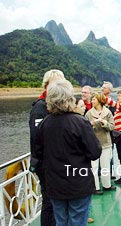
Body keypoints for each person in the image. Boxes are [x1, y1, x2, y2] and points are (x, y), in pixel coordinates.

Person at [34, 79, 102, 226]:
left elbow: (38, 153)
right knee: (77, 221)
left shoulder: (44, 124)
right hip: (78, 183)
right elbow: (95, 152)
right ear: (70, 98)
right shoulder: (80, 122)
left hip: (55, 185)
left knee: (60, 221)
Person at [29, 69, 65, 226]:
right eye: (54, 83)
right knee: (50, 203)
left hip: (57, 164)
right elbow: (37, 138)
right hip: (46, 165)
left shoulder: (55, 106)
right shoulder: (40, 108)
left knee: (58, 202)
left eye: (60, 84)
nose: (58, 87)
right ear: (46, 86)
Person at [85, 93, 116, 194]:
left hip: (106, 143)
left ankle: (107, 185)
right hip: (93, 143)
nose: (92, 101)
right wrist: (91, 124)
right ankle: (95, 187)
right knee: (94, 166)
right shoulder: (89, 114)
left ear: (99, 100)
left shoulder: (108, 113)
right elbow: (84, 128)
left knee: (105, 165)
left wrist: (105, 123)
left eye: (94, 99)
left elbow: (112, 126)